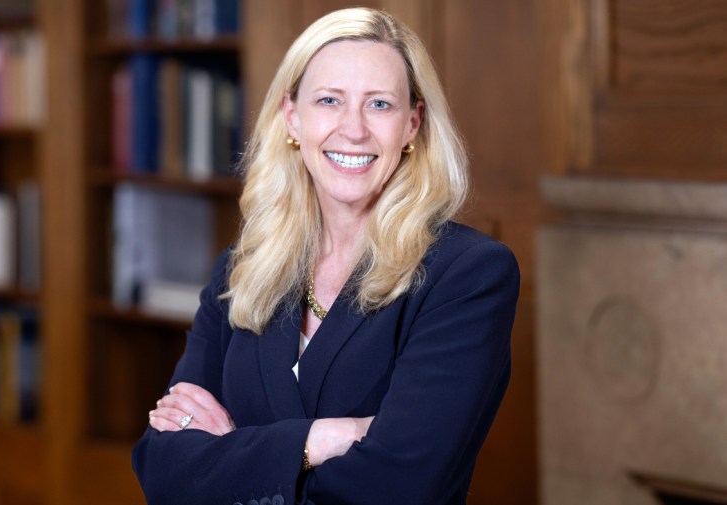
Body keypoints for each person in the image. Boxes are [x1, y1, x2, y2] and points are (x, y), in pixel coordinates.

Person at [132, 7, 519, 505]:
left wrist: (231, 456)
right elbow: (163, 469)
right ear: (292, 118)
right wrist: (321, 440)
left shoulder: (467, 274)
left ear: (412, 125)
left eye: (379, 104)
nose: (353, 129)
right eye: (329, 100)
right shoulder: (243, 269)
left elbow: (402, 488)